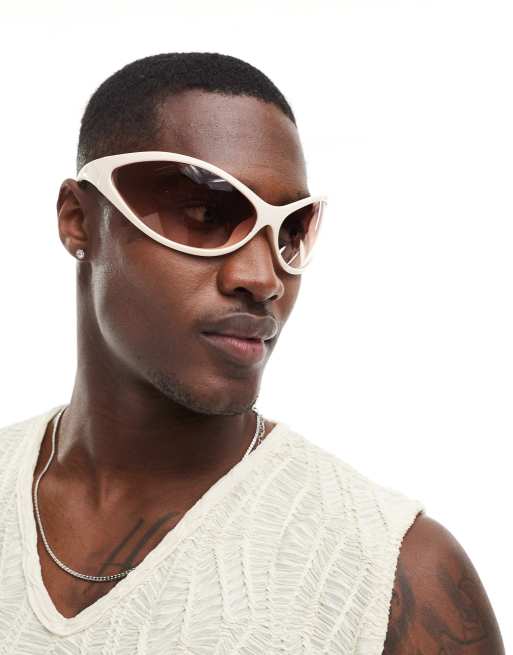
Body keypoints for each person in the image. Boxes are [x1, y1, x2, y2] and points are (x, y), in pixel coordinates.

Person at [0, 52, 504, 653]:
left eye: (290, 230)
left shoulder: (397, 578)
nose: (263, 278)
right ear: (78, 219)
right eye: (204, 214)